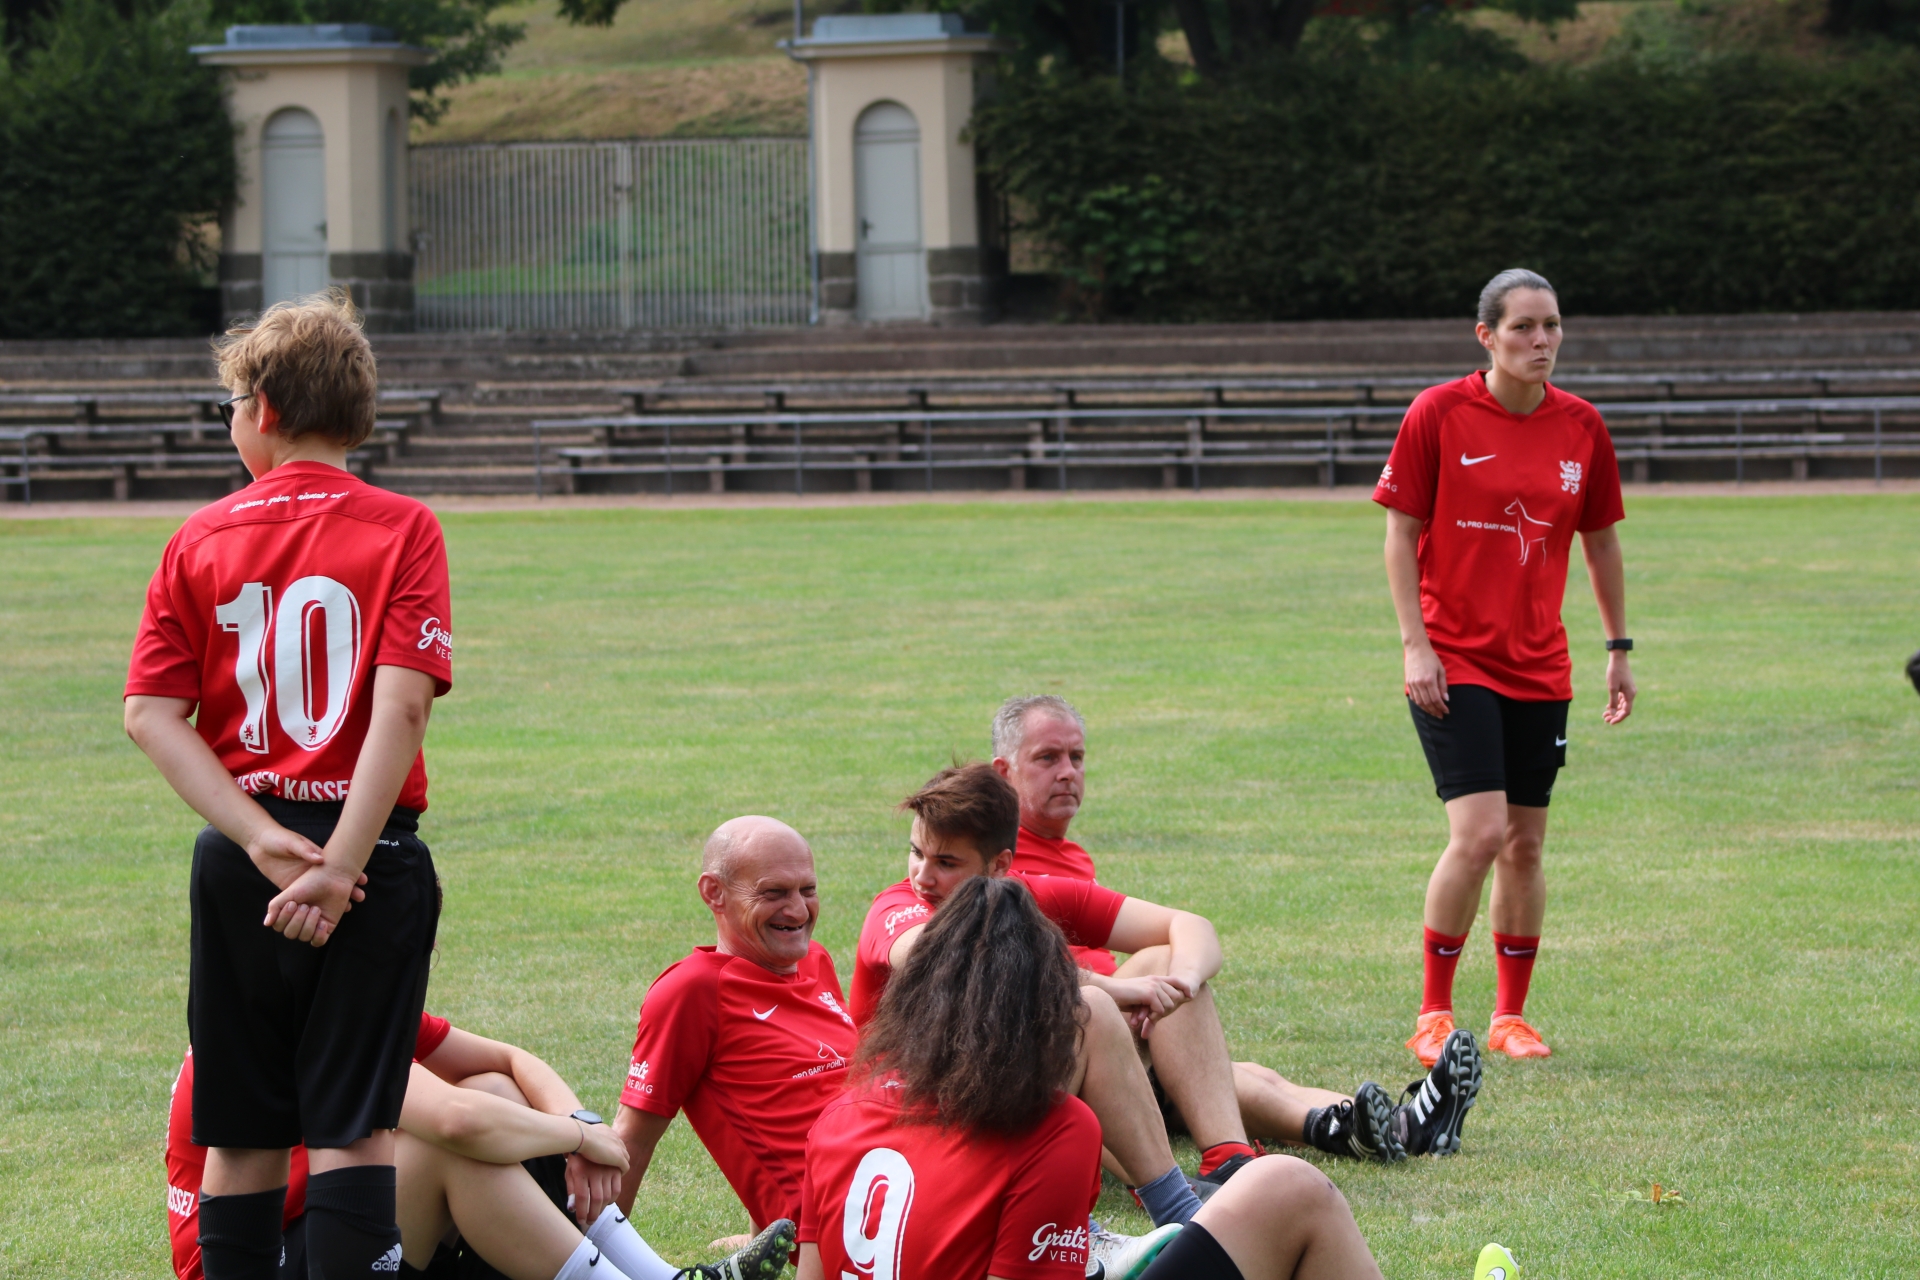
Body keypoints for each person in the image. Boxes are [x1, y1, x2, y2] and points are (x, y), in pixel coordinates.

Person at [127, 294, 454, 1280]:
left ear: (263, 408)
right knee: (354, 1124)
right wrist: (341, 864)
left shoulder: (199, 537)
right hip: (369, 854)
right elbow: (402, 709)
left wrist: (259, 837)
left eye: (231, 404)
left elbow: (151, 714)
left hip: (244, 861)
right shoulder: (405, 527)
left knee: (242, 1128)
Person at [854, 762, 1480, 1164]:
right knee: (1105, 1014)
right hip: (943, 1112)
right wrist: (1120, 992)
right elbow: (962, 961)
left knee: (1172, 980)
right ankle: (1338, 1133)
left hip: (1055, 1073)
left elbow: (1192, 927)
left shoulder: (1028, 890)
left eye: (945, 863)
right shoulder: (898, 909)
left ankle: (1256, 1152)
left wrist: (1178, 984)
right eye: (917, 854)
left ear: (998, 867)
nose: (923, 875)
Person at [799, 875, 1394, 1280]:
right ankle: (1179, 1207)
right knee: (1290, 1186)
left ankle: (1180, 1207)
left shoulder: (836, 1121)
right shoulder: (1057, 1130)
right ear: (1046, 999)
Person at [989, 707, 1487, 1161]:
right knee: (1174, 994)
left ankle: (1389, 1124)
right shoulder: (996, 864)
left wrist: (1178, 985)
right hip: (1067, 1046)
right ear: (1003, 772)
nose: (1068, 772)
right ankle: (1252, 1152)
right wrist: (1136, 990)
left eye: (1076, 757)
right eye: (1048, 758)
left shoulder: (1068, 857)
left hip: (1124, 1032)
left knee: (1243, 1073)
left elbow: (1190, 926)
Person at [1374, 268, 1635, 1067]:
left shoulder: (1582, 426)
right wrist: (1416, 644)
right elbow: (1399, 534)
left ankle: (1510, 1018)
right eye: (1523, 327)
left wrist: (1618, 649)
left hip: (1540, 665)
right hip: (1455, 657)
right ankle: (1433, 1013)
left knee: (1524, 845)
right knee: (1481, 833)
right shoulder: (1438, 412)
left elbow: (1600, 542)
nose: (1541, 340)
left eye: (1551, 325)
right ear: (1486, 336)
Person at [167, 1011, 791, 1280]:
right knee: (451, 1146)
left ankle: (664, 1278)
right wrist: (581, 1137)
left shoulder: (333, 992)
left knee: (497, 1090)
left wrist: (581, 1123)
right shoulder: (316, 1016)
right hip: (262, 1263)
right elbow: (457, 1123)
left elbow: (509, 1062)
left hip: (329, 1230)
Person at [611, 816, 860, 1244]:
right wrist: (590, 1262)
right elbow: (632, 1141)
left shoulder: (814, 960)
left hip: (895, 1162)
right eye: (773, 893)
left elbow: (781, 1100)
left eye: (808, 890)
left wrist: (761, 1232)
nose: (799, 911)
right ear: (714, 893)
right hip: (848, 1218)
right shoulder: (691, 991)